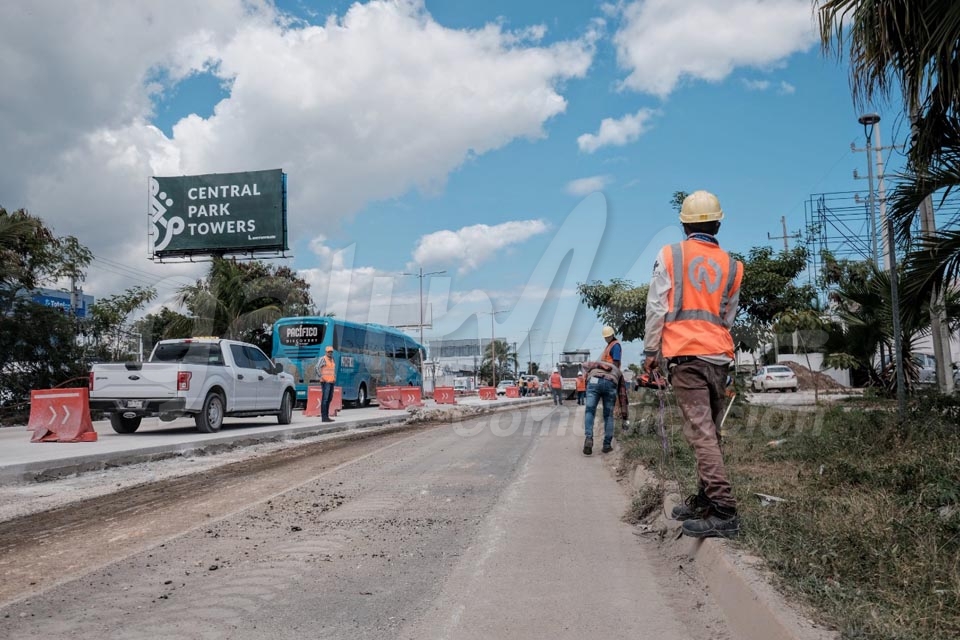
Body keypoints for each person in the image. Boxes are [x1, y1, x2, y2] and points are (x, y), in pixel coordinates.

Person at [643, 190, 743, 539]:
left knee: (701, 433)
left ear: (684, 225)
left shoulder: (671, 254)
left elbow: (656, 306)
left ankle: (724, 509)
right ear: (718, 225)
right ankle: (706, 498)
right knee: (709, 431)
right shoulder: (733, 266)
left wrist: (651, 351)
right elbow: (728, 315)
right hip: (719, 356)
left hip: (687, 356)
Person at [582, 326, 623, 455]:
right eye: (605, 337)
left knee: (590, 410)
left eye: (607, 337)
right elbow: (616, 366)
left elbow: (615, 363)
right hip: (609, 382)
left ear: (611, 335)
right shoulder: (612, 346)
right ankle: (606, 445)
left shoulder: (615, 346)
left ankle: (589, 438)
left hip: (594, 380)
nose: (606, 339)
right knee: (608, 415)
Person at [316, 345, 337, 423]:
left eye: (331, 352)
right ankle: (324, 417)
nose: (330, 353)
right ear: (326, 352)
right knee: (325, 399)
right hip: (325, 382)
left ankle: (327, 416)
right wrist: (321, 377)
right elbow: (316, 368)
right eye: (329, 352)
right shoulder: (323, 359)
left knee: (329, 398)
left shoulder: (333, 359)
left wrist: (334, 377)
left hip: (331, 382)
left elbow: (332, 370)